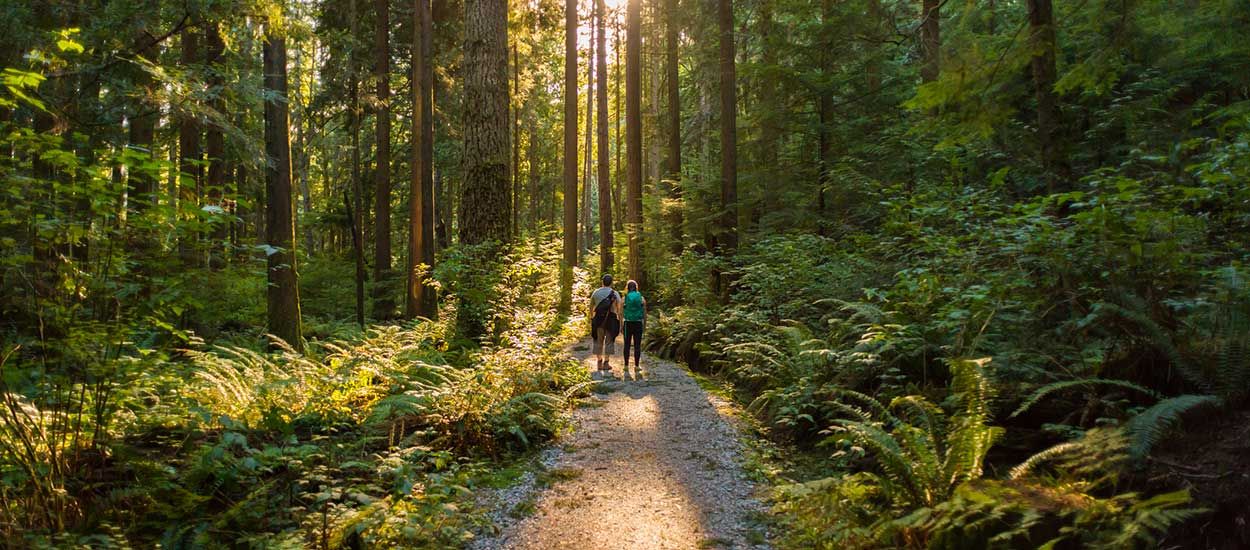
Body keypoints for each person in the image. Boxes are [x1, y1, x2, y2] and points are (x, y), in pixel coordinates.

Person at [589, 275, 622, 376]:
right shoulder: (615, 293)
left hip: (598, 319)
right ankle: (606, 362)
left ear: (602, 282)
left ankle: (599, 362)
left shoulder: (596, 292)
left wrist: (591, 318)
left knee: (598, 340)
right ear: (611, 283)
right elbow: (619, 308)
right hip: (611, 320)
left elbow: (591, 306)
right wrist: (620, 321)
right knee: (609, 340)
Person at [621, 280, 646, 375]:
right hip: (638, 323)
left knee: (626, 345)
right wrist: (645, 325)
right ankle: (636, 366)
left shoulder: (625, 298)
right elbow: (644, 313)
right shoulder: (641, 298)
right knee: (637, 345)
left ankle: (626, 366)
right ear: (636, 287)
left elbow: (621, 313)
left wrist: (621, 325)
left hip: (627, 323)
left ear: (627, 288)